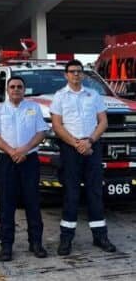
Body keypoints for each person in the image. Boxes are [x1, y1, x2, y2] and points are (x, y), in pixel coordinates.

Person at [49, 59, 116, 255]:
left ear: (84, 74)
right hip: (71, 149)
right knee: (71, 194)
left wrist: (90, 141)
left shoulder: (93, 95)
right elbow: (57, 126)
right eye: (72, 71)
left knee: (95, 192)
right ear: (66, 75)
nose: (76, 74)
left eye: (79, 71)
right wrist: (76, 144)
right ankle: (66, 239)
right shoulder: (59, 97)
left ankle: (100, 237)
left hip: (92, 147)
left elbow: (103, 122)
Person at [0, 76, 48, 261]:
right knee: (7, 205)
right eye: (12, 87)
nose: (16, 89)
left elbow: (41, 132)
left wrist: (24, 150)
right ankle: (6, 246)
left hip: (29, 159)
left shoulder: (33, 108)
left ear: (24, 90)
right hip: (7, 160)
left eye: (19, 87)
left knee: (32, 202)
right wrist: (12, 151)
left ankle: (36, 243)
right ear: (7, 90)